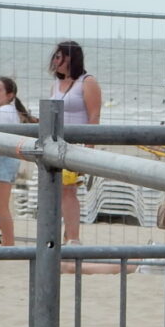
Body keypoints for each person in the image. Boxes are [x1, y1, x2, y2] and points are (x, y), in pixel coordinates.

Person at [49, 40, 102, 244]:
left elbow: (94, 115)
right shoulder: (56, 83)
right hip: (57, 143)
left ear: (69, 58)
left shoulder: (87, 82)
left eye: (58, 56)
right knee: (58, 192)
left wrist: (89, 148)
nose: (55, 60)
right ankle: (64, 237)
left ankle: (73, 238)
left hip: (76, 145)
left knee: (68, 191)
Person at [0, 77, 36, 245]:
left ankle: (8, 243)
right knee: (0, 205)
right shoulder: (9, 111)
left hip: (1, 161)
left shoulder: (4, 112)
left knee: (0, 206)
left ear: (10, 95)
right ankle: (4, 240)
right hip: (4, 161)